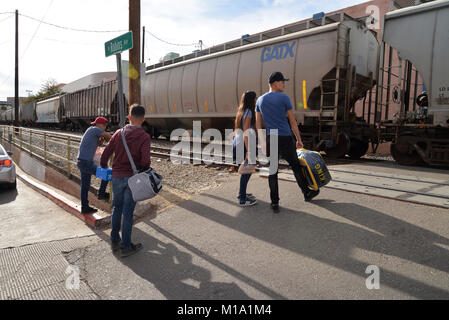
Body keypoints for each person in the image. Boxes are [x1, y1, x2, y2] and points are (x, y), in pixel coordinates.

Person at [255, 72, 319, 213]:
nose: (284, 84)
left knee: (273, 171)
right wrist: (299, 140)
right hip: (285, 136)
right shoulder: (284, 98)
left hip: (271, 137)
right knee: (295, 166)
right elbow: (292, 122)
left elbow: (258, 124)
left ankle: (274, 203)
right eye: (282, 81)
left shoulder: (260, 100)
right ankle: (306, 193)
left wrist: (262, 143)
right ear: (275, 83)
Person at [100, 104, 151, 258]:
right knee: (128, 213)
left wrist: (105, 168)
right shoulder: (144, 137)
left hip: (116, 177)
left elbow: (105, 155)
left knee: (117, 208)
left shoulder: (118, 133)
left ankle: (114, 238)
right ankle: (125, 245)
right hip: (132, 180)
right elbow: (145, 162)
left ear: (129, 117)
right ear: (143, 119)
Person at [76, 117, 112, 214]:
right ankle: (101, 194)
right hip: (86, 163)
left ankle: (85, 207)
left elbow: (99, 147)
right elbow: (109, 137)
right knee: (106, 173)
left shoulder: (92, 132)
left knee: (85, 186)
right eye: (104, 126)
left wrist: (101, 140)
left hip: (81, 161)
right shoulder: (95, 129)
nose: (105, 128)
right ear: (101, 125)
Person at [233, 91, 258, 207]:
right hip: (245, 143)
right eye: (255, 98)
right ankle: (242, 198)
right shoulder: (249, 112)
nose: (256, 100)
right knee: (246, 171)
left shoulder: (242, 111)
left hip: (240, 142)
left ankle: (242, 194)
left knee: (247, 170)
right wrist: (249, 150)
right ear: (251, 100)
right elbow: (246, 132)